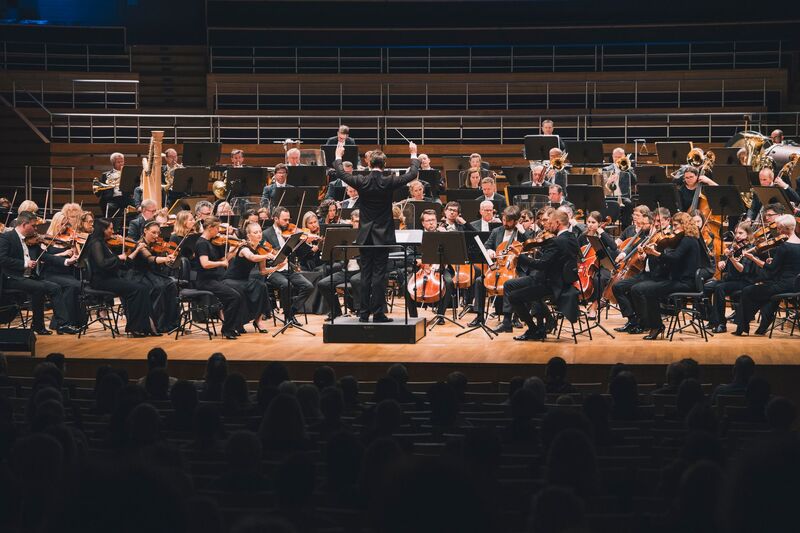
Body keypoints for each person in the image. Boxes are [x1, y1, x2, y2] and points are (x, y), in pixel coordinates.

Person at [332, 141, 420, 322]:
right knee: (379, 275)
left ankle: (363, 314)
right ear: (384, 164)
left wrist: (338, 156)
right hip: (383, 236)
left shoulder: (361, 180)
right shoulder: (389, 181)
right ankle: (378, 313)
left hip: (365, 236)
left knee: (365, 275)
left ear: (369, 164)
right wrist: (413, 154)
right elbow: (412, 174)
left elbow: (341, 173)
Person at [505, 208, 579, 341]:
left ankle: (534, 329)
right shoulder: (572, 238)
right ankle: (542, 326)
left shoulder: (556, 241)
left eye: (551, 223)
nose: (549, 226)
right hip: (564, 282)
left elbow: (541, 265)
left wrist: (519, 256)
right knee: (519, 286)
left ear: (557, 223)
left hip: (552, 285)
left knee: (514, 297)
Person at [0, 211, 76, 335]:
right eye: (33, 226)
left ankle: (61, 324)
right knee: (39, 287)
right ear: (24, 225)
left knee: (55, 287)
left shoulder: (31, 241)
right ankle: (40, 325)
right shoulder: (7, 238)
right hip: (11, 278)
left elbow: (46, 257)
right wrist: (25, 263)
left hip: (28, 277)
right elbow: (2, 259)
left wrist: (66, 261)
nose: (36, 229)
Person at [632, 212, 705, 340]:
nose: (674, 228)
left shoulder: (688, 240)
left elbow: (675, 258)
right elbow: (675, 259)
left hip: (686, 283)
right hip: (680, 280)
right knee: (640, 288)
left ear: (684, 224)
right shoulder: (687, 239)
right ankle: (654, 322)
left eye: (676, 225)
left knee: (647, 290)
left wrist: (656, 253)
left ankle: (656, 325)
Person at [85, 218, 154, 336]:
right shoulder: (96, 243)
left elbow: (121, 264)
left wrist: (133, 252)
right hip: (101, 281)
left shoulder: (103, 243)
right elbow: (102, 263)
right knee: (138, 289)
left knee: (143, 288)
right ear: (103, 229)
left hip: (110, 278)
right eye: (110, 229)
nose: (113, 231)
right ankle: (136, 328)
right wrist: (118, 258)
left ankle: (144, 327)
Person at [734, 214, 800, 335]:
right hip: (796, 285)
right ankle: (761, 326)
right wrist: (773, 261)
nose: (778, 231)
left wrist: (753, 258)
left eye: (779, 228)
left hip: (784, 285)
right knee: (765, 295)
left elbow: (771, 269)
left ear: (786, 229)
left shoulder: (784, 246)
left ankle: (742, 327)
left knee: (748, 291)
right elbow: (790, 264)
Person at [467, 206, 526, 332]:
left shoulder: (522, 234)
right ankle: (479, 316)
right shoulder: (497, 231)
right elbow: (486, 246)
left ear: (516, 221)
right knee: (479, 281)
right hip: (499, 267)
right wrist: (489, 251)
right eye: (504, 220)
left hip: (517, 267)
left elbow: (531, 246)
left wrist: (523, 233)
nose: (505, 223)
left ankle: (513, 318)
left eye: (508, 221)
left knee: (513, 282)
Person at [194, 216, 247, 339]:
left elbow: (225, 259)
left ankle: (231, 327)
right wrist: (220, 263)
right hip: (205, 281)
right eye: (217, 228)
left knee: (238, 294)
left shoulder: (212, 242)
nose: (219, 231)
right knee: (234, 297)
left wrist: (236, 248)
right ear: (210, 228)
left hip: (215, 279)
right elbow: (205, 264)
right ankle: (227, 329)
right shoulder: (202, 243)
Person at [261, 206, 314, 326]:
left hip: (288, 268)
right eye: (284, 220)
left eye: (288, 219)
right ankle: (288, 317)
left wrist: (306, 241)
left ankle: (291, 313)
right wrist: (274, 257)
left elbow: (300, 253)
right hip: (273, 271)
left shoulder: (292, 233)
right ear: (276, 219)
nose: (287, 222)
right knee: (286, 285)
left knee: (308, 286)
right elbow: (264, 255)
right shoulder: (266, 234)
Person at [125, 220, 181, 333]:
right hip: (139, 275)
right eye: (153, 232)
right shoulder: (140, 244)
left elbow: (159, 263)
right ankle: (156, 324)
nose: (156, 236)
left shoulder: (156, 244)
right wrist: (165, 259)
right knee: (159, 287)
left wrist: (167, 258)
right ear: (145, 231)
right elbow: (150, 259)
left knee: (171, 285)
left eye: (158, 233)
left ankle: (171, 323)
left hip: (151, 274)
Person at [223, 221, 277, 333]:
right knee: (242, 291)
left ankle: (258, 321)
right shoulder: (244, 248)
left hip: (244, 280)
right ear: (248, 235)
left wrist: (277, 267)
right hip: (231, 280)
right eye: (255, 232)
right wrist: (266, 256)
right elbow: (251, 257)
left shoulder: (261, 250)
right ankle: (237, 324)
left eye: (260, 232)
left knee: (262, 286)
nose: (259, 234)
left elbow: (263, 271)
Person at [406, 209, 457, 325]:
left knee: (448, 282)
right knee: (406, 284)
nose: (431, 223)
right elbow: (409, 254)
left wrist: (446, 237)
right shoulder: (416, 236)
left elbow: (453, 253)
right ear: (423, 223)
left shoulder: (443, 234)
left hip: (440, 268)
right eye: (428, 220)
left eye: (433, 220)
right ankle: (413, 317)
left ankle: (440, 315)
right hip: (420, 269)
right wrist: (419, 261)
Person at [705, 222, 757, 333]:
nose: (737, 235)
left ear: (748, 234)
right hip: (731, 280)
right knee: (706, 287)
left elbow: (742, 269)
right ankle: (712, 319)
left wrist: (732, 258)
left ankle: (721, 324)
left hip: (744, 281)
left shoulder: (750, 249)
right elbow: (726, 265)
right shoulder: (734, 246)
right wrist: (721, 263)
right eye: (736, 233)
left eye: (741, 233)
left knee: (720, 288)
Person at [38, 212, 85, 331]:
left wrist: (74, 253)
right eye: (62, 224)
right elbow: (43, 259)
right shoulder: (46, 240)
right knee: (72, 285)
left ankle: (71, 322)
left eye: (66, 224)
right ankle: (64, 323)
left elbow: (75, 258)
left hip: (65, 273)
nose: (64, 227)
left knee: (77, 285)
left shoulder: (67, 239)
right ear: (56, 223)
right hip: (50, 273)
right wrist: (63, 254)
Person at [579, 211, 618, 319]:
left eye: (593, 222)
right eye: (588, 222)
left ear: (599, 223)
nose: (590, 225)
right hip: (586, 267)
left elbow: (614, 247)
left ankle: (594, 306)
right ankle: (575, 306)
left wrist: (601, 231)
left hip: (602, 266)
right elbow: (577, 251)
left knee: (598, 279)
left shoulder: (603, 236)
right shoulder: (583, 237)